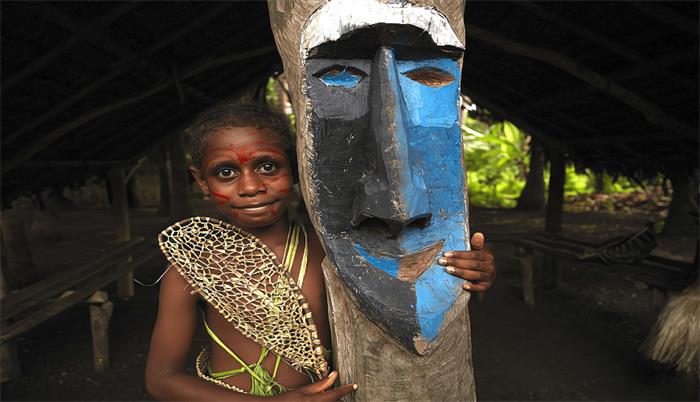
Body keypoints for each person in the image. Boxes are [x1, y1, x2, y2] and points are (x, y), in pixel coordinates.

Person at [145, 102, 496, 401]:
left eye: (268, 166)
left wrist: (466, 269)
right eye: (226, 172)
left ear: (296, 168)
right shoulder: (193, 266)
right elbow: (162, 379)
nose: (250, 187)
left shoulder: (333, 246)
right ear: (202, 181)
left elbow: (417, 280)